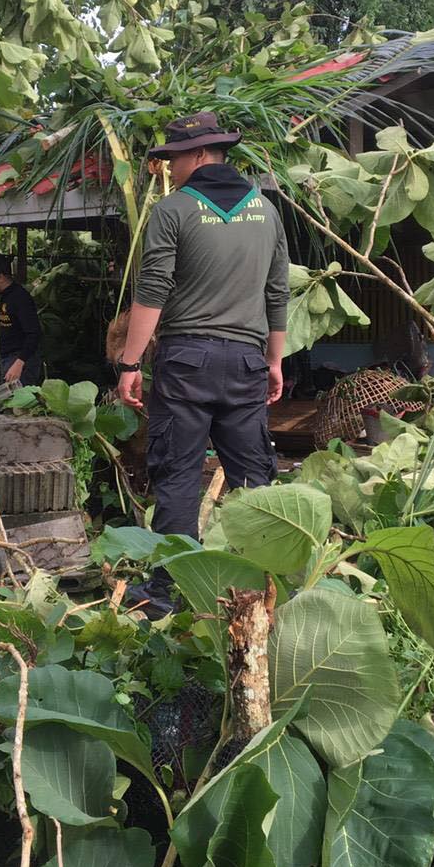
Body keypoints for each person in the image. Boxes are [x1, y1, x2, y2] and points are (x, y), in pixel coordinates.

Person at [116, 112, 289, 545]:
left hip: (187, 362)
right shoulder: (266, 210)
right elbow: (277, 293)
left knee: (178, 476)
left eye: (174, 158)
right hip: (247, 362)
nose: (170, 170)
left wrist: (129, 363)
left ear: (197, 154)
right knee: (253, 480)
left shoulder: (173, 210)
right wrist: (274, 361)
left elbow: (152, 290)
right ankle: (265, 582)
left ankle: (166, 593)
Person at [0, 252, 42, 385]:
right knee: (10, 402)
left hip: (21, 360)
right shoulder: (6, 296)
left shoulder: (20, 298)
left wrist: (19, 363)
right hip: (10, 358)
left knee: (19, 403)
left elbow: (34, 333)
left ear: (0, 277)